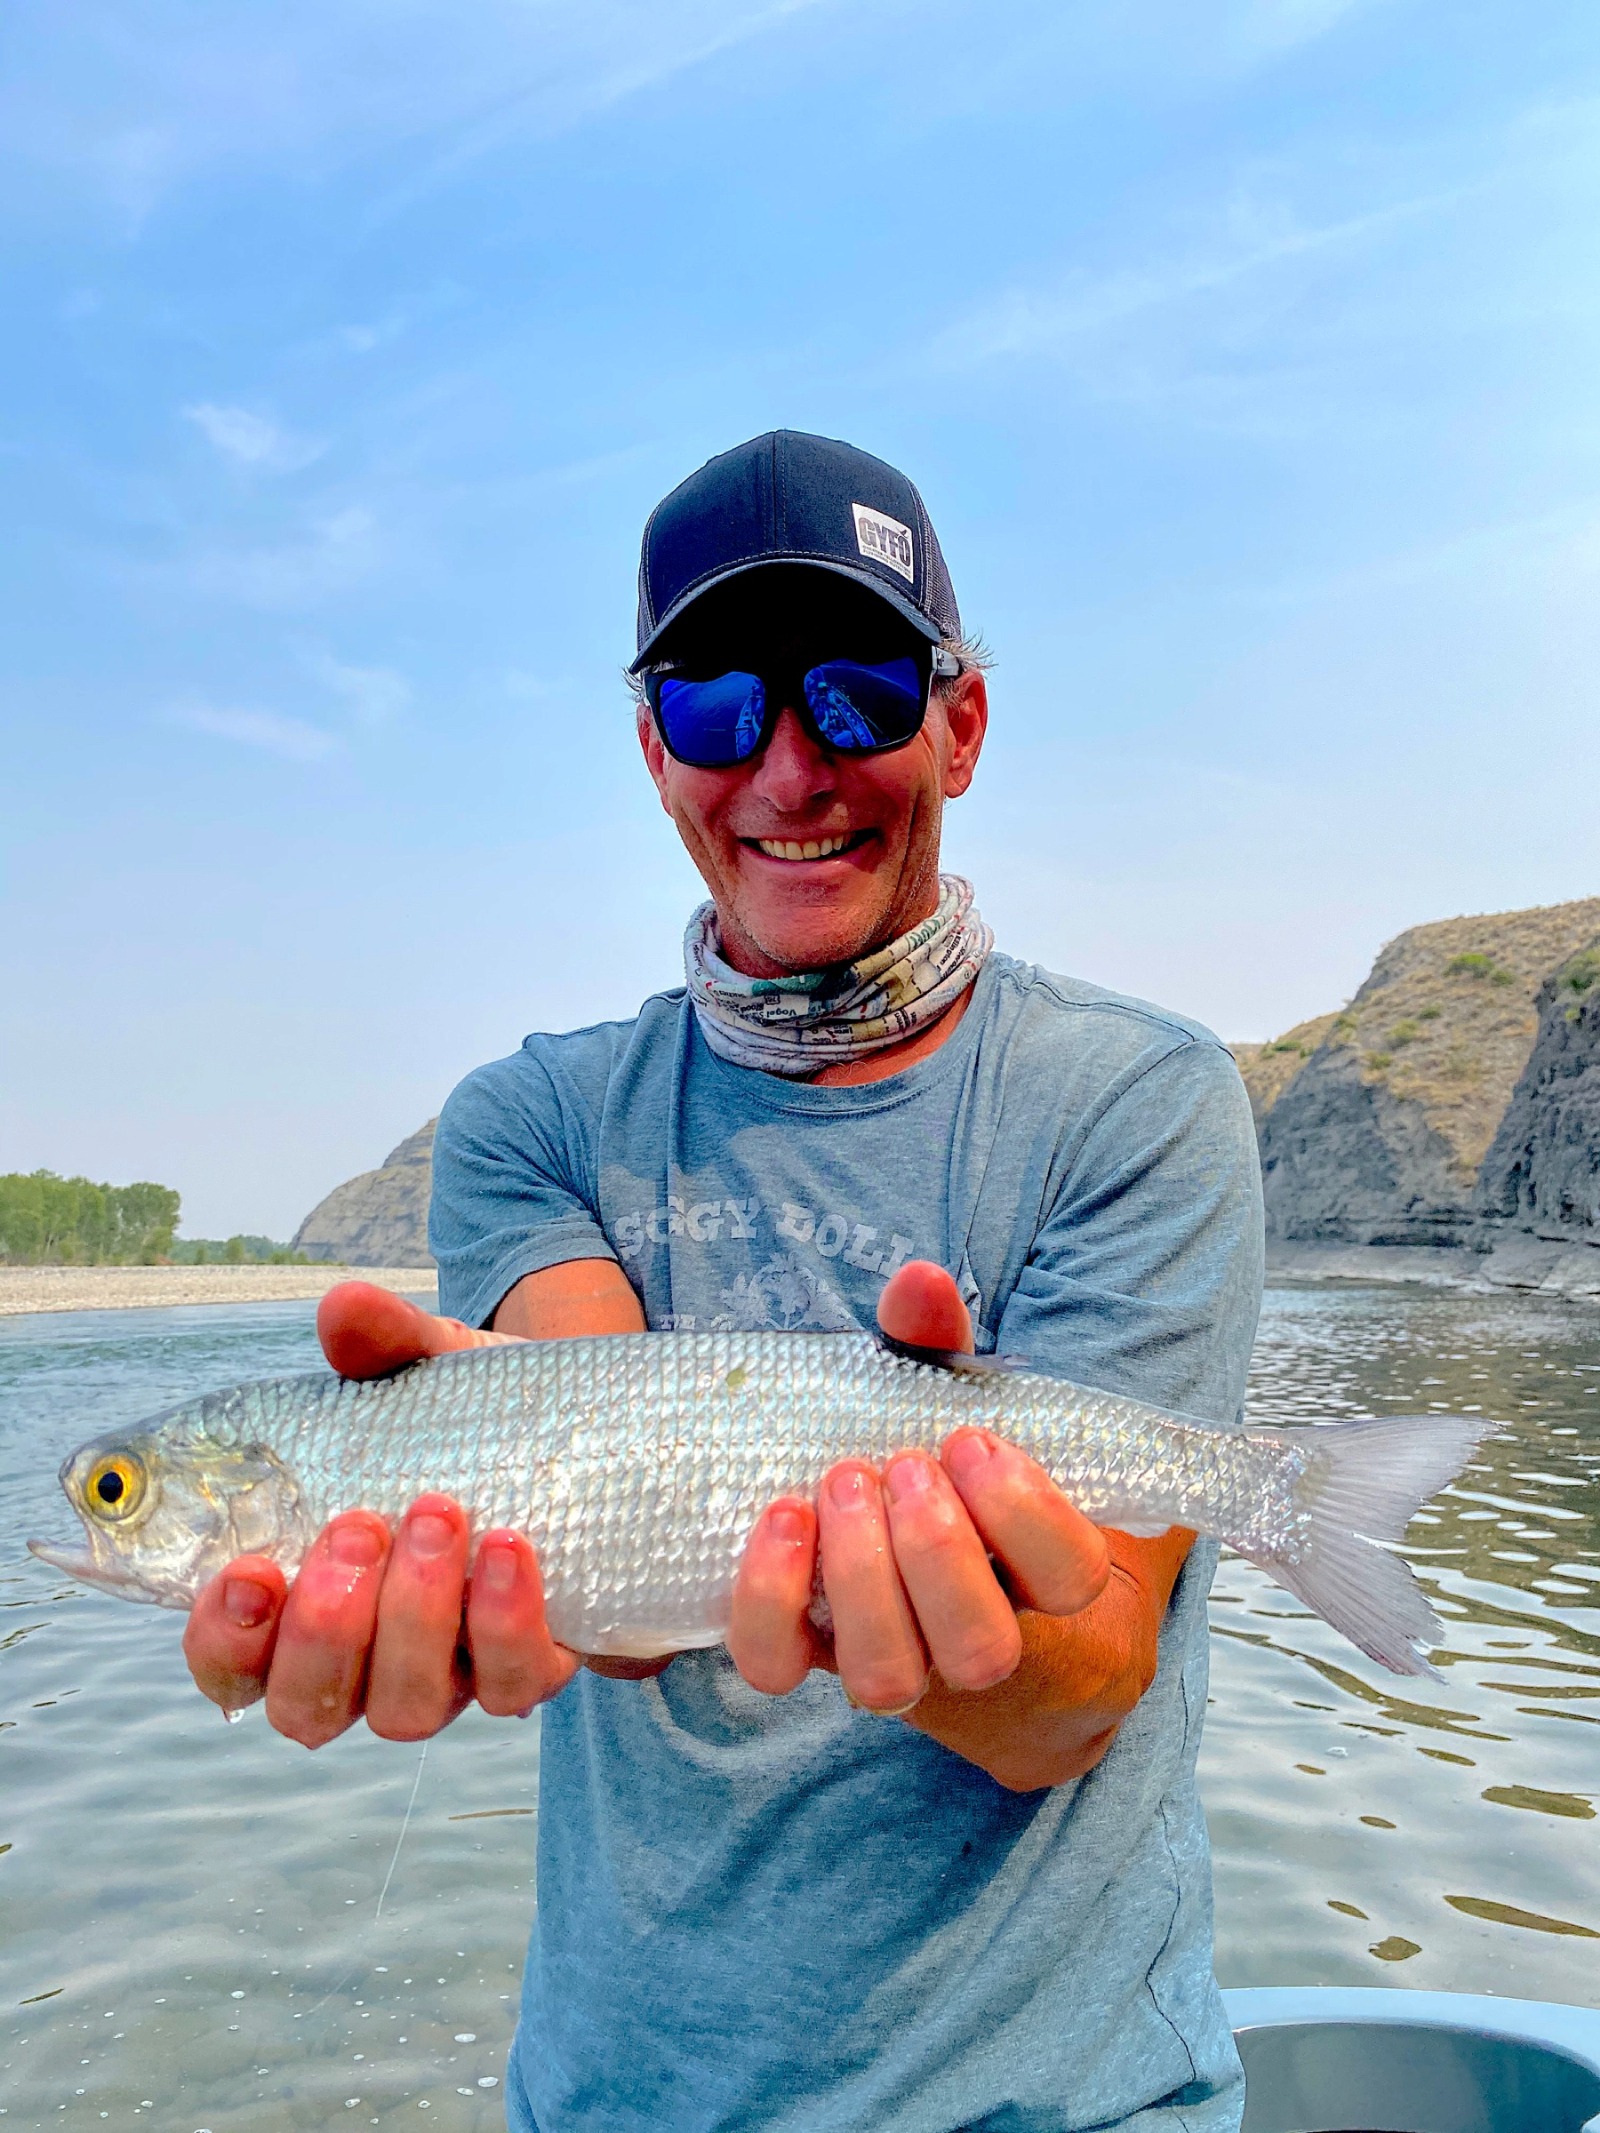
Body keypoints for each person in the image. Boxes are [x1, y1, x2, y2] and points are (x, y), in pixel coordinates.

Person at [185, 430, 1265, 2132]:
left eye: (851, 692)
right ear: (651, 752)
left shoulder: (1138, 1099)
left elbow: (1084, 1690)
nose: (784, 770)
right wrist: (481, 1540)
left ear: (960, 724)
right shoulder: (530, 1121)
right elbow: (606, 1482)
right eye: (712, 708)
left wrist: (948, 1628)